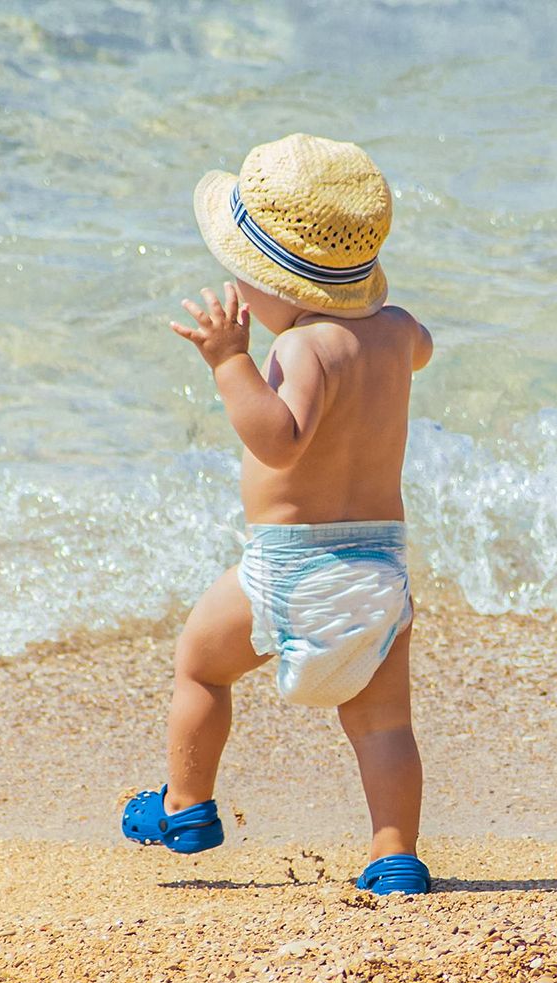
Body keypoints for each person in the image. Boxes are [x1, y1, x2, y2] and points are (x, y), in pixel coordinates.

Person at [120, 133, 435, 895]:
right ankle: (395, 855)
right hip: (378, 569)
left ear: (282, 286)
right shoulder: (395, 333)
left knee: (199, 664)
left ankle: (187, 803)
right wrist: (384, 338)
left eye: (245, 279)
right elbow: (420, 346)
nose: (238, 293)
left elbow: (281, 440)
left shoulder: (305, 352)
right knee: (383, 724)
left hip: (288, 564)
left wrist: (229, 362)